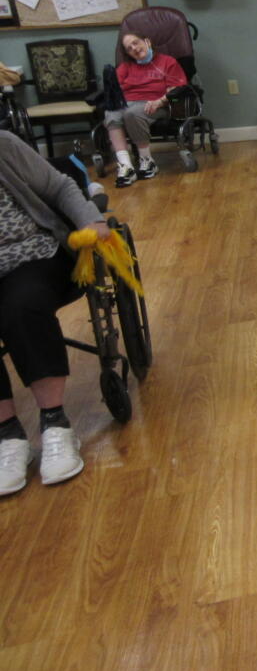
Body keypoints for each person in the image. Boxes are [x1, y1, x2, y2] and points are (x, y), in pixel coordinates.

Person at [0, 129, 109, 495]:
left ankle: (55, 424)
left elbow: (61, 187)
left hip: (33, 253)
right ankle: (8, 437)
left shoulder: (3, 145)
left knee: (22, 305)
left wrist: (91, 219)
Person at [108, 32, 186, 188]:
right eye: (129, 48)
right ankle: (126, 166)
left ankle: (147, 161)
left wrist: (160, 101)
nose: (134, 48)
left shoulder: (167, 62)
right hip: (127, 102)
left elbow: (177, 88)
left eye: (135, 43)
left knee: (132, 113)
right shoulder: (126, 67)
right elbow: (115, 88)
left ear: (147, 41)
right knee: (111, 114)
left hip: (155, 103)